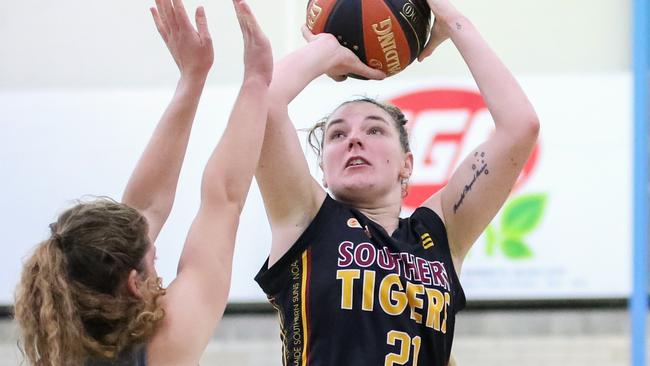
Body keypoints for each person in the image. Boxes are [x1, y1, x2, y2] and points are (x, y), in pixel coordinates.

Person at [253, 0, 539, 365]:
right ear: (323, 169)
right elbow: (260, 104)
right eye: (337, 135)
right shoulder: (305, 220)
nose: (354, 139)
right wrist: (325, 49)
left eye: (374, 129)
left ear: (406, 165)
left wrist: (453, 22)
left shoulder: (439, 233)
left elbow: (520, 128)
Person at [13, 0, 272, 364]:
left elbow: (145, 208)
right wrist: (257, 79)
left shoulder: (62, 343)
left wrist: (193, 78)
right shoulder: (165, 348)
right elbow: (223, 199)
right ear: (134, 284)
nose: (156, 254)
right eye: (153, 257)